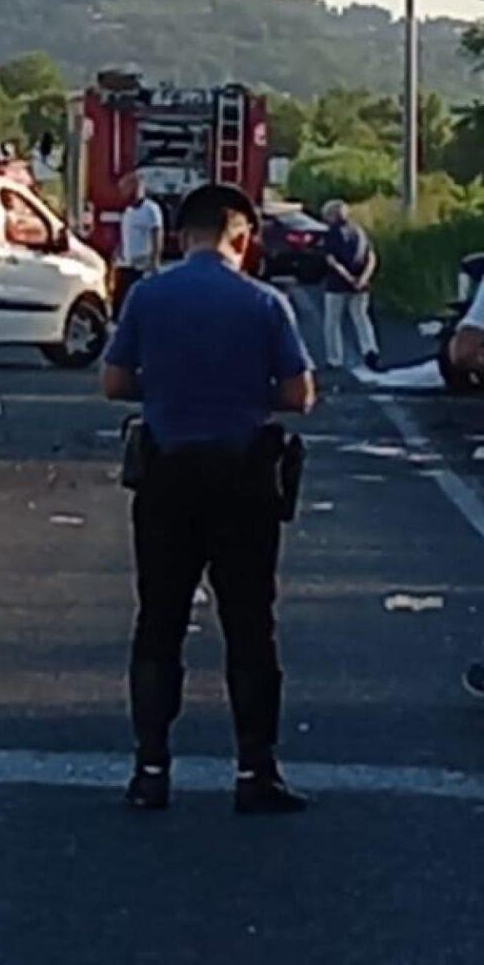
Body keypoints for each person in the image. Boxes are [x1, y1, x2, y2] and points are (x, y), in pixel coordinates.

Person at [101, 182, 315, 814]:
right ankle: (255, 772)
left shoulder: (148, 295)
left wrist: (168, 387)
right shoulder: (264, 303)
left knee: (159, 621)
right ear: (242, 238)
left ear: (179, 236)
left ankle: (150, 769)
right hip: (243, 480)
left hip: (167, 477)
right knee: (250, 627)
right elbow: (300, 394)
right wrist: (247, 393)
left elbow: (114, 382)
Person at [318, 200, 380, 372]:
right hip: (362, 284)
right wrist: (363, 278)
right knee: (361, 318)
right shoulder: (360, 232)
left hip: (337, 285)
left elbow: (332, 261)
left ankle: (335, 359)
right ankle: (370, 350)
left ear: (333, 216)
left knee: (332, 322)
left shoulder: (331, 234)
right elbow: (371, 257)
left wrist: (348, 278)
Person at [115, 172, 165, 309]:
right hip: (127, 263)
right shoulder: (128, 211)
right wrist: (119, 251)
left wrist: (154, 260)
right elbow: (125, 234)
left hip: (142, 264)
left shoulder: (151, 209)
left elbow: (157, 234)